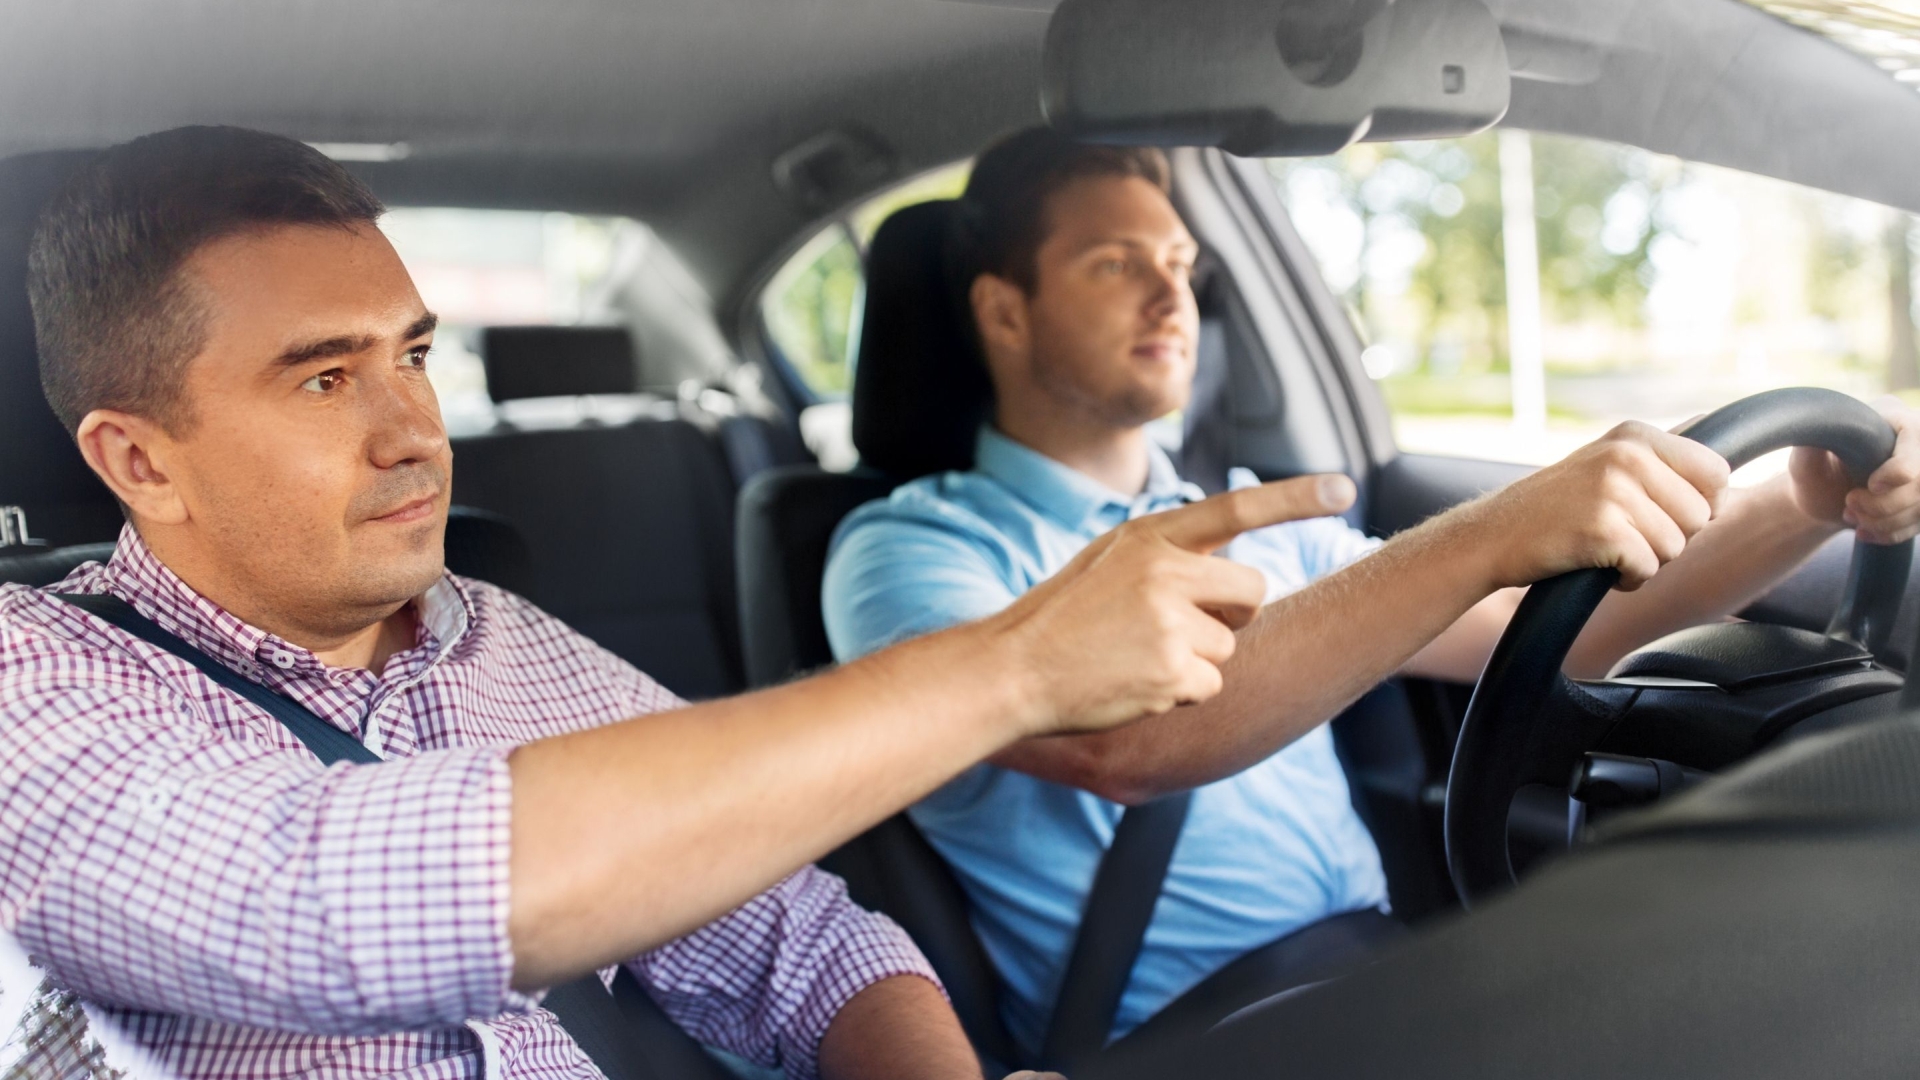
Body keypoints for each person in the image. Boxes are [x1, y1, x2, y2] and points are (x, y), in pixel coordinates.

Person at [0, 126, 1339, 1080]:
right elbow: (332, 895)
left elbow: (799, 941)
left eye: (413, 356)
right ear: (137, 459)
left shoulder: (503, 639)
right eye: (322, 380)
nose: (416, 431)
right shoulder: (36, 688)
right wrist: (1013, 668)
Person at [821, 127, 1920, 1057]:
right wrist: (1496, 531)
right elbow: (1123, 749)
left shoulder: (1254, 514)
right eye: (1116, 262)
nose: (1174, 293)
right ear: (1004, 313)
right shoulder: (906, 550)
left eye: (1181, 260)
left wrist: (1803, 499)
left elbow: (1579, 637)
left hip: (1380, 974)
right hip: (1174, 1038)